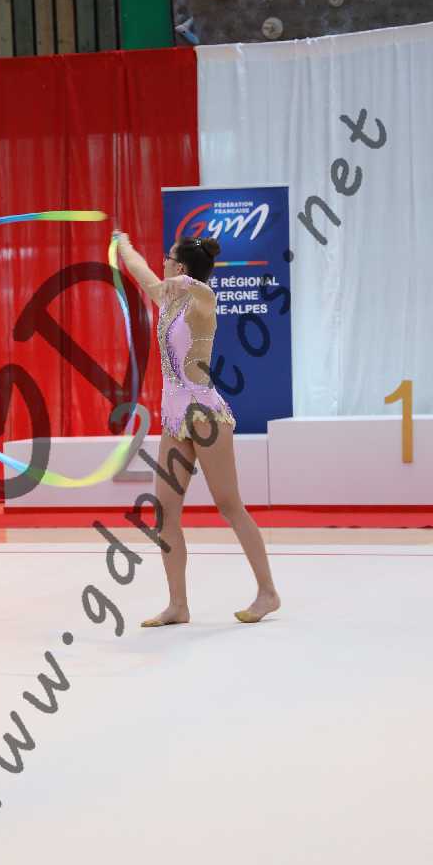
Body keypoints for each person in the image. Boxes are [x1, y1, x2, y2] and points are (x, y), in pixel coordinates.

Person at [113, 231, 280, 627]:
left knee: (229, 505)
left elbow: (198, 288)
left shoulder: (203, 300)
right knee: (165, 513)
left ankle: (268, 592)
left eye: (168, 259)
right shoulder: (166, 298)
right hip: (175, 419)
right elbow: (140, 271)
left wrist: (185, 280)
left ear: (181, 266)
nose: (163, 263)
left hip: (205, 415)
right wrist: (123, 245)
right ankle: (178, 604)